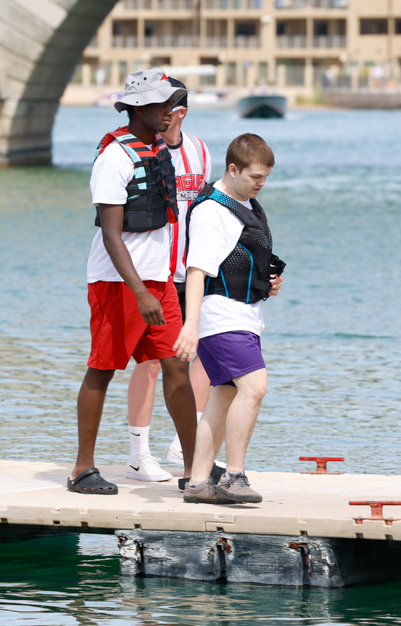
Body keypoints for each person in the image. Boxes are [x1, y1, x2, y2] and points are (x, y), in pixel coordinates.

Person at [68, 68, 199, 495]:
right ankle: (82, 469)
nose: (171, 112)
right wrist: (140, 292)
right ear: (140, 108)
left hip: (158, 280)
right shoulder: (114, 159)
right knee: (102, 369)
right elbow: (110, 234)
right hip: (118, 283)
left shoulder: (159, 149)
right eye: (163, 105)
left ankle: (194, 470)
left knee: (177, 368)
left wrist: (157, 283)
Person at [174, 133, 285, 505]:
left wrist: (267, 282)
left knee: (224, 396)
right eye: (255, 177)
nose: (261, 184)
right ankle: (234, 476)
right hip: (220, 316)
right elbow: (195, 271)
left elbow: (241, 258)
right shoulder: (211, 211)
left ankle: (198, 482)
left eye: (266, 178)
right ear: (232, 169)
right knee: (254, 387)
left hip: (246, 313)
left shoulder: (247, 203)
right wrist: (190, 326)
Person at [124, 76, 215, 483]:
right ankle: (137, 454)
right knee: (150, 365)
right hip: (156, 272)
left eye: (173, 109)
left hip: (191, 272)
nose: (167, 116)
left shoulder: (199, 150)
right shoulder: (146, 149)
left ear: (182, 112)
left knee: (203, 356)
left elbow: (208, 211)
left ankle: (184, 445)